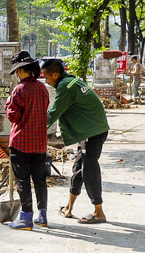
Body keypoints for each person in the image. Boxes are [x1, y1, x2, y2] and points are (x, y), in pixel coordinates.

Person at [42, 58, 110, 224]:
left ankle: (98, 212)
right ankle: (68, 208)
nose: (46, 81)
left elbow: (54, 113)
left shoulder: (65, 86)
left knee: (89, 169)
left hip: (92, 132)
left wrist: (34, 129)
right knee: (78, 167)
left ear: (56, 75)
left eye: (47, 77)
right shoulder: (71, 80)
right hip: (90, 130)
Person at [4, 51, 50, 230]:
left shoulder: (20, 90)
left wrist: (8, 105)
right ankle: (43, 215)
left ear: (21, 70)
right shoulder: (42, 88)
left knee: (22, 181)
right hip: (39, 143)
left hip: (21, 144)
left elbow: (14, 117)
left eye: (17, 71)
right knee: (40, 180)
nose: (17, 75)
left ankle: (26, 218)